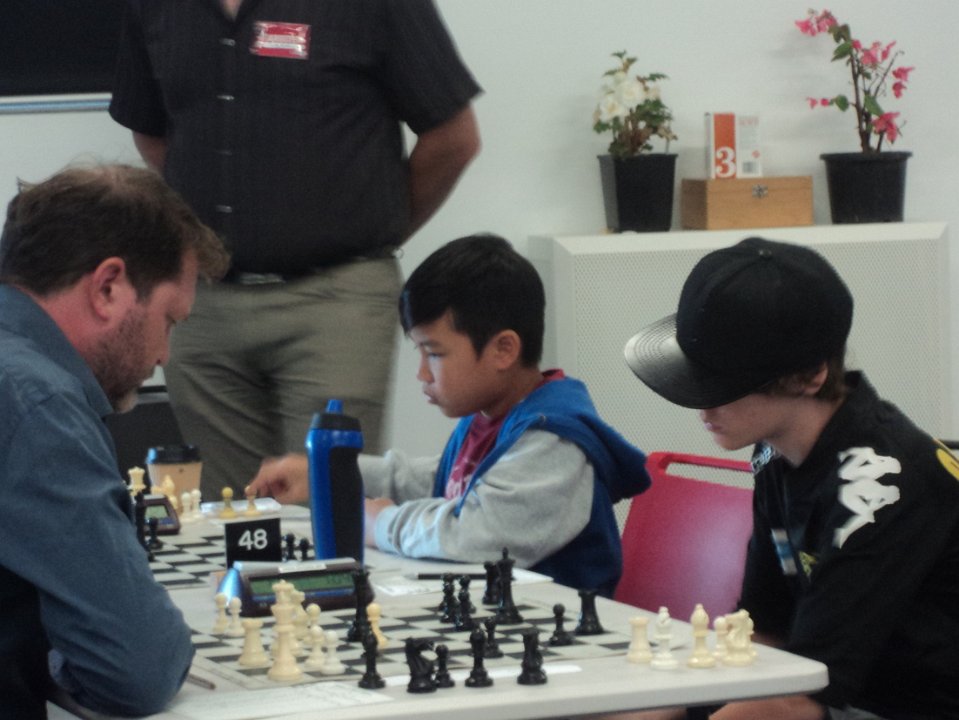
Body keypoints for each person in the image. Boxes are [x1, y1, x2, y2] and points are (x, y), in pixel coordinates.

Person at [108, 0, 482, 500]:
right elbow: (150, 130)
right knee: (228, 513)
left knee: (328, 506)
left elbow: (454, 137)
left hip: (334, 302)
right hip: (205, 308)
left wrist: (373, 229)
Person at [622, 237, 959, 719]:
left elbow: (801, 696)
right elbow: (763, 631)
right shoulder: (773, 451)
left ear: (809, 376)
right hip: (824, 693)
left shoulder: (879, 489)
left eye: (724, 387)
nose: (703, 407)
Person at [248, 234, 650, 595]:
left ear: (503, 350)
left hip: (558, 633)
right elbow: (443, 481)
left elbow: (473, 533)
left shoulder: (554, 440)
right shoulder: (489, 418)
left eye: (435, 354)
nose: (422, 374)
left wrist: (379, 523)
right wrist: (327, 473)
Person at [0, 164, 230, 719]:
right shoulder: (37, 403)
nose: (164, 355)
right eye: (168, 320)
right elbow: (137, 668)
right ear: (108, 288)